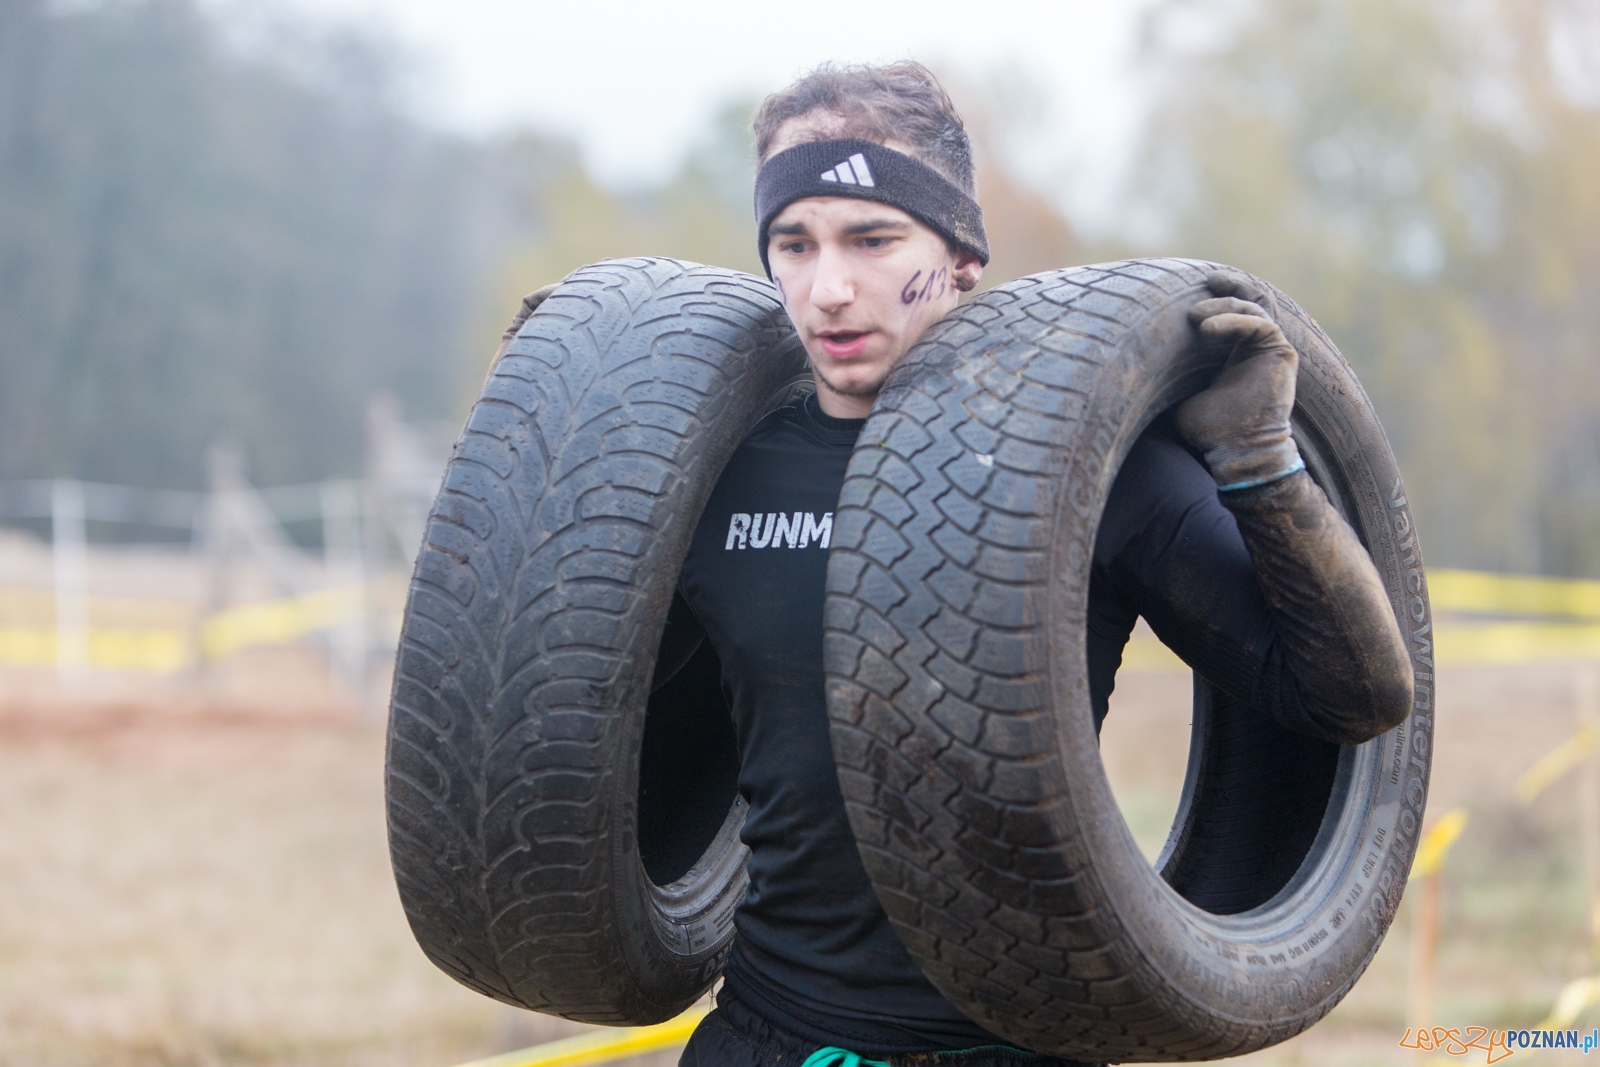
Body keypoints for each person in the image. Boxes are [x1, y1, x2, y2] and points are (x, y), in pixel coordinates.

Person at [504, 60, 1412, 1067]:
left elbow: (1353, 696)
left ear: (962, 251)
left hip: (1018, 1042)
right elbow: (584, 740)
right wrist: (558, 449)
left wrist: (1262, 466)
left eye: (872, 239)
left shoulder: (1086, 470)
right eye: (794, 244)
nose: (830, 288)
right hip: (769, 1034)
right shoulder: (719, 472)